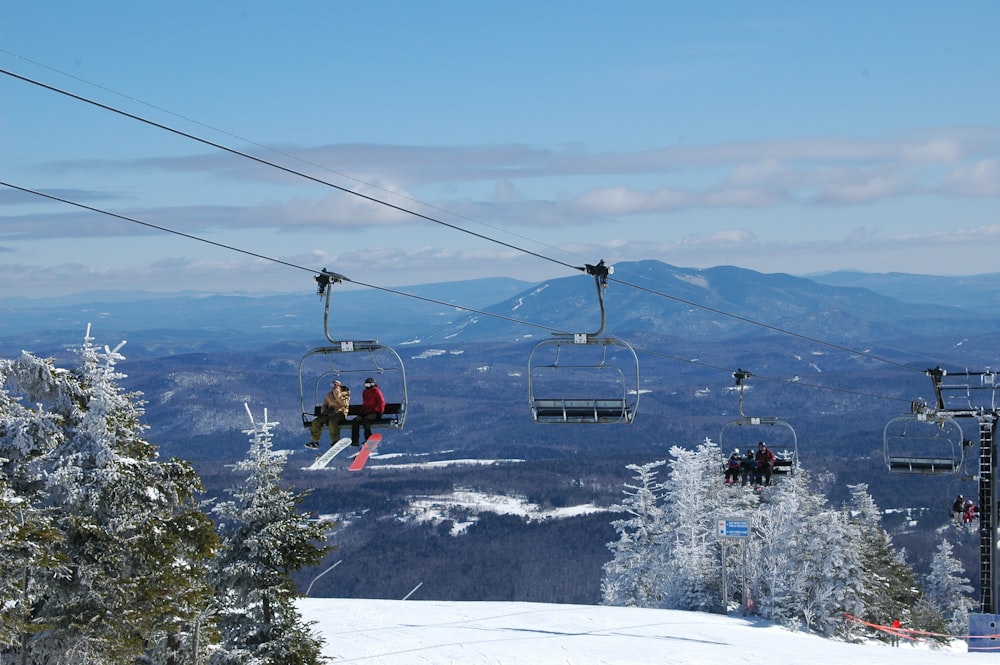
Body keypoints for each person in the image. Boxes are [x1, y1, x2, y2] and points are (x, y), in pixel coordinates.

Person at [306, 380, 350, 449]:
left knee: (332, 422)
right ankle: (314, 441)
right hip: (330, 413)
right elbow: (325, 404)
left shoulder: (345, 393)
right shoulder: (329, 395)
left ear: (339, 386)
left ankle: (335, 440)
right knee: (316, 422)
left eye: (334, 385)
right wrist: (324, 411)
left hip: (340, 413)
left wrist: (337, 393)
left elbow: (343, 403)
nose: (333, 387)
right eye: (332, 386)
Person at [351, 377, 385, 446]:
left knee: (365, 421)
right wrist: (360, 413)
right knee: (355, 421)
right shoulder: (365, 392)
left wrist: (380, 413)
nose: (367, 387)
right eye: (366, 385)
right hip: (366, 412)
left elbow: (381, 402)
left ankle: (368, 439)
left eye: (368, 385)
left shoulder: (376, 391)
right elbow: (365, 404)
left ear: (372, 384)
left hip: (374, 412)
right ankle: (355, 441)